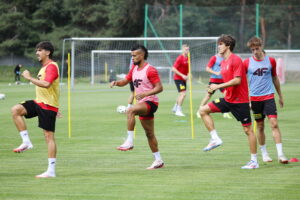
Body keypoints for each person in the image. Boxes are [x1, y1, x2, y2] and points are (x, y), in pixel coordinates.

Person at [199, 34, 259, 169]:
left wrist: (218, 86)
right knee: (203, 110)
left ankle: (254, 161)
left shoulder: (236, 60)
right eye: (218, 44)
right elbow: (225, 81)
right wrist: (212, 87)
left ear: (228, 46)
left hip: (240, 101)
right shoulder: (223, 63)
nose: (218, 47)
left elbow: (237, 80)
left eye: (221, 44)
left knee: (248, 130)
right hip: (228, 99)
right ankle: (215, 139)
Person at [110, 44, 164, 170]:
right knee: (149, 134)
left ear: (142, 55)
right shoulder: (134, 69)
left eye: (134, 55)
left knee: (130, 110)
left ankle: (129, 141)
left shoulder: (150, 70)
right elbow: (125, 81)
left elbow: (159, 88)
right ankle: (158, 160)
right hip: (143, 103)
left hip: (151, 102)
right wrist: (116, 83)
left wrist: (145, 93)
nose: (132, 58)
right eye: (131, 55)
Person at [11, 41, 60, 178]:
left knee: (48, 137)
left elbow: (46, 84)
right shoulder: (43, 67)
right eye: (36, 51)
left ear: (47, 52)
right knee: (16, 110)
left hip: (48, 106)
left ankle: (51, 171)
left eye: (39, 50)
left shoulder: (51, 66)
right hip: (39, 103)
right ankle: (26, 142)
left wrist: (29, 78)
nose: (37, 53)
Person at [244, 36, 288, 164]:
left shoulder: (271, 61)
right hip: (255, 99)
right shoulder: (247, 63)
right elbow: (241, 81)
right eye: (252, 50)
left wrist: (280, 95)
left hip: (269, 97)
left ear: (261, 46)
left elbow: (275, 78)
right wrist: (248, 100)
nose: (255, 52)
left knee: (274, 123)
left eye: (257, 49)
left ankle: (281, 154)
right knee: (260, 126)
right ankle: (264, 153)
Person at [197, 52, 232, 119]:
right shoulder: (214, 58)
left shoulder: (226, 58)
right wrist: (216, 72)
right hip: (213, 81)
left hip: (222, 81)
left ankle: (225, 112)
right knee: (208, 96)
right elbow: (207, 68)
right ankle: (199, 111)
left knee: (227, 95)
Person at [171, 44, 189, 117]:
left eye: (188, 49)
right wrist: (182, 75)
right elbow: (173, 68)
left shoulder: (188, 58)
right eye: (185, 49)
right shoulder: (180, 58)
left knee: (181, 94)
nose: (187, 51)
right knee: (183, 94)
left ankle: (175, 108)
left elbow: (187, 69)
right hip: (178, 79)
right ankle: (178, 110)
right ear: (182, 50)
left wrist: (187, 76)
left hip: (183, 80)